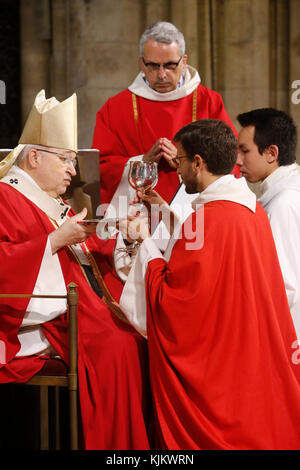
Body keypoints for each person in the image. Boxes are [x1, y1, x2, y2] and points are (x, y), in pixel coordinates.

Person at [119, 119, 300, 449]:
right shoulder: (247, 208)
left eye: (181, 162)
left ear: (198, 163)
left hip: (217, 370)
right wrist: (162, 211)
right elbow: (204, 252)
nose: (177, 172)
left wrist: (144, 241)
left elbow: (174, 305)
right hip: (244, 349)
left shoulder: (211, 217)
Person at [0, 90, 150, 450]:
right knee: (119, 349)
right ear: (34, 156)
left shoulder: (52, 201)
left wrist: (122, 238)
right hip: (38, 319)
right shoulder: (6, 196)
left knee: (139, 338)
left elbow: (86, 257)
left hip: (74, 310)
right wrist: (53, 242)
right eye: (66, 159)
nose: (73, 169)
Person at [92, 21, 239, 208]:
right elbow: (102, 167)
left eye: (169, 65)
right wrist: (141, 162)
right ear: (141, 64)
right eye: (153, 66)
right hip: (137, 213)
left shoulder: (208, 101)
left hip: (195, 211)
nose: (161, 75)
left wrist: (183, 161)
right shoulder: (115, 108)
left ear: (184, 62)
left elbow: (229, 160)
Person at [237, 108, 300, 340]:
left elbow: (285, 286)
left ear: (271, 153)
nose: (237, 159)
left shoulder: (283, 203)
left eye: (244, 151)